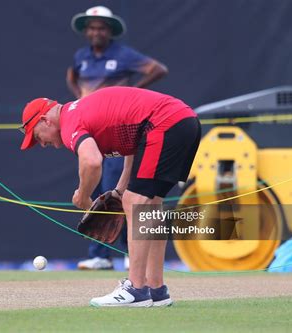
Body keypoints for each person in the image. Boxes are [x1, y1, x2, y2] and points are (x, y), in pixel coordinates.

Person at [19, 86, 201, 307]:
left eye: (37, 137)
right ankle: (156, 290)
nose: (42, 143)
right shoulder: (79, 112)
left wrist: (83, 196)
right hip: (183, 122)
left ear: (46, 120)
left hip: (165, 123)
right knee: (150, 205)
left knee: (136, 202)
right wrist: (120, 189)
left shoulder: (69, 123)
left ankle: (136, 289)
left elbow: (91, 161)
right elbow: (135, 146)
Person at [67, 5, 169, 270]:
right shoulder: (81, 56)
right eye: (91, 27)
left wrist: (132, 92)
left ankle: (127, 251)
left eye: (101, 27)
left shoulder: (122, 54)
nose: (96, 31)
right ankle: (100, 254)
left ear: (109, 31)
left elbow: (157, 68)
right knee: (96, 188)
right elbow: (72, 75)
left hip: (117, 129)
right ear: (86, 31)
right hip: (91, 130)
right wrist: (80, 96)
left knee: (118, 190)